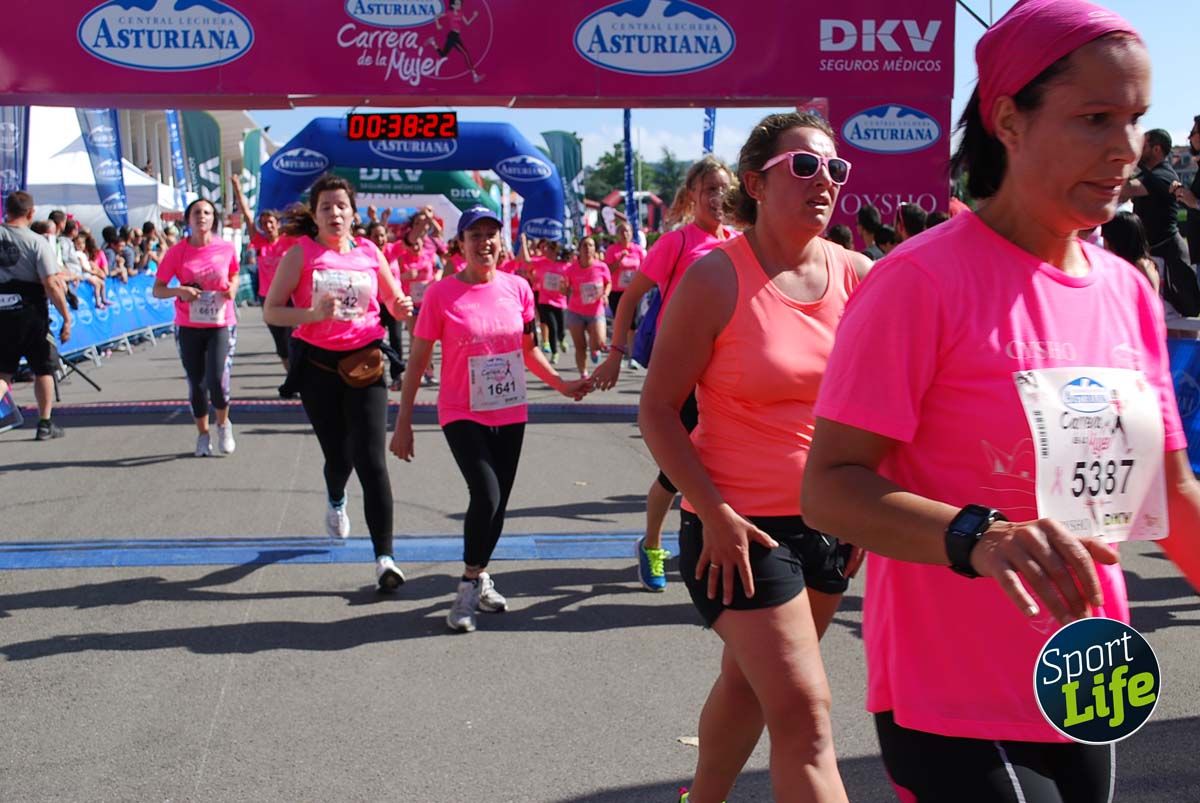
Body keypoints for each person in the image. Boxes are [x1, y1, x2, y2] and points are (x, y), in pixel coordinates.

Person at [802, 4, 1200, 799]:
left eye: (1134, 119)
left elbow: (1168, 486)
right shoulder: (919, 282)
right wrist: (978, 536)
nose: (1125, 148)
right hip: (951, 691)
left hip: (1088, 675)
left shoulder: (1126, 290)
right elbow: (830, 487)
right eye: (1094, 118)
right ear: (1009, 120)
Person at [640, 112, 870, 803]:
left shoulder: (860, 276)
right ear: (756, 183)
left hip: (828, 524)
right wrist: (712, 512)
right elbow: (658, 409)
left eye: (834, 169)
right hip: (736, 532)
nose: (824, 180)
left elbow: (878, 408)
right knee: (805, 713)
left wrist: (868, 504)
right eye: (803, 166)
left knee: (748, 683)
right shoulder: (715, 278)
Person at [390, 206, 591, 632]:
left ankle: (480, 575)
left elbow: (528, 350)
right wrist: (403, 422)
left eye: (491, 234)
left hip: (510, 408)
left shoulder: (518, 288)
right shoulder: (442, 294)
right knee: (485, 495)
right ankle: (467, 586)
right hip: (461, 410)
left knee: (499, 505)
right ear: (460, 245)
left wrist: (561, 384)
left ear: (502, 242)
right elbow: (418, 360)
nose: (485, 242)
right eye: (475, 235)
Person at [593, 154, 737, 592]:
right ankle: (652, 543)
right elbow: (629, 297)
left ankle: (713, 541)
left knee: (723, 464)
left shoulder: (738, 241)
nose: (718, 197)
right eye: (710, 189)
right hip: (680, 373)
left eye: (725, 189)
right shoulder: (676, 243)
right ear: (692, 194)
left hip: (726, 373)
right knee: (677, 471)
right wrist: (615, 352)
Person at [266, 174, 414, 590]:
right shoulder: (301, 254)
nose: (335, 213)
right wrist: (312, 315)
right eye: (326, 207)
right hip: (318, 367)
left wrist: (401, 306)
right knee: (339, 457)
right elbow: (272, 311)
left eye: (341, 206)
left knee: (371, 460)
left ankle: (385, 558)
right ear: (315, 215)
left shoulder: (369, 251)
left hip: (366, 362)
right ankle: (336, 496)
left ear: (353, 213)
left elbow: (392, 299)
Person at [153, 199, 240, 457]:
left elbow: (234, 274)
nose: (202, 216)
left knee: (217, 380)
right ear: (188, 219)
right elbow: (158, 289)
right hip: (188, 324)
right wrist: (179, 290)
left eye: (207, 212)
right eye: (196, 212)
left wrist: (232, 288)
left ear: (214, 218)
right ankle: (203, 435)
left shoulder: (225, 248)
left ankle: (223, 425)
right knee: (197, 383)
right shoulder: (177, 252)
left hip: (220, 323)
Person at [0, 191, 71, 440]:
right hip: (31, 312)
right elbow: (50, 283)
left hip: (2, 311)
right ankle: (44, 423)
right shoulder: (37, 242)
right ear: (31, 213)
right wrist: (66, 316)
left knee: (3, 372)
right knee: (43, 368)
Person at [1124, 129, 1198, 317]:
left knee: (1183, 318)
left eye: (1143, 145)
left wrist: (1127, 161)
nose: (1138, 149)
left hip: (1169, 257)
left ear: (1156, 149)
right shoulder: (1150, 175)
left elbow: (1127, 189)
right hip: (1158, 254)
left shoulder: (1163, 174)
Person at [389, 209, 443, 386]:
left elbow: (439, 268)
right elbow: (394, 274)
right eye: (413, 244)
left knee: (429, 338)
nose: (416, 246)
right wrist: (407, 276)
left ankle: (429, 371)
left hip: (427, 302)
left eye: (419, 243)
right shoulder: (402, 255)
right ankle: (417, 372)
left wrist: (436, 278)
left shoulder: (429, 253)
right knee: (415, 338)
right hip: (411, 302)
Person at [563, 236, 611, 377]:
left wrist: (605, 294)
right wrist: (563, 288)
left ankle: (595, 348)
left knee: (600, 342)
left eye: (590, 245)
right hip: (576, 311)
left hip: (595, 311)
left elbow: (608, 283)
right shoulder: (571, 269)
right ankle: (583, 375)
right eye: (584, 245)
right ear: (579, 249)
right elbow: (565, 289)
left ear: (594, 249)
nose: (587, 248)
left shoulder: (601, 267)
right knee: (580, 346)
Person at [603, 221, 646, 357]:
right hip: (617, 292)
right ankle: (618, 353)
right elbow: (607, 271)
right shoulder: (612, 250)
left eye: (627, 231)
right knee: (620, 322)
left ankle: (632, 355)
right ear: (617, 235)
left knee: (633, 323)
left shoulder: (637, 250)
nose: (625, 234)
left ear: (632, 233)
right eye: (621, 232)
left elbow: (645, 269)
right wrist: (619, 261)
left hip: (633, 291)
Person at [528, 238, 569, 364]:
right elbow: (527, 263)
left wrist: (566, 287)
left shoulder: (564, 265)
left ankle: (562, 339)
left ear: (556, 252)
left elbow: (569, 280)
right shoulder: (541, 262)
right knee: (552, 326)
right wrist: (531, 276)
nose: (547, 251)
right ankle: (555, 352)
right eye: (546, 249)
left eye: (550, 250)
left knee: (561, 328)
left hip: (560, 301)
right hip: (545, 301)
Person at [1102, 210, 1159, 293]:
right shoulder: (1116, 264)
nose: (1104, 242)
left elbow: (1152, 297)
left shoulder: (1142, 266)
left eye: (1105, 237)